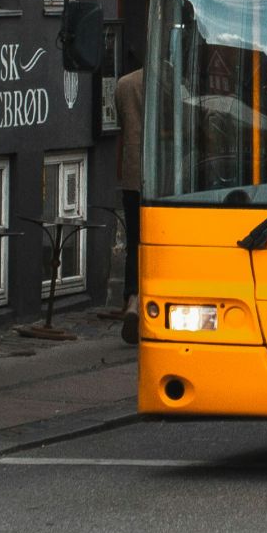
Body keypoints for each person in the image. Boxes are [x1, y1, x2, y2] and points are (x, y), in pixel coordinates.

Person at [114, 66, 145, 346]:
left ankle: (131, 299)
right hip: (161, 179)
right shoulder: (171, 81)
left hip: (131, 175)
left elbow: (123, 125)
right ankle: (146, 302)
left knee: (134, 241)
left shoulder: (124, 83)